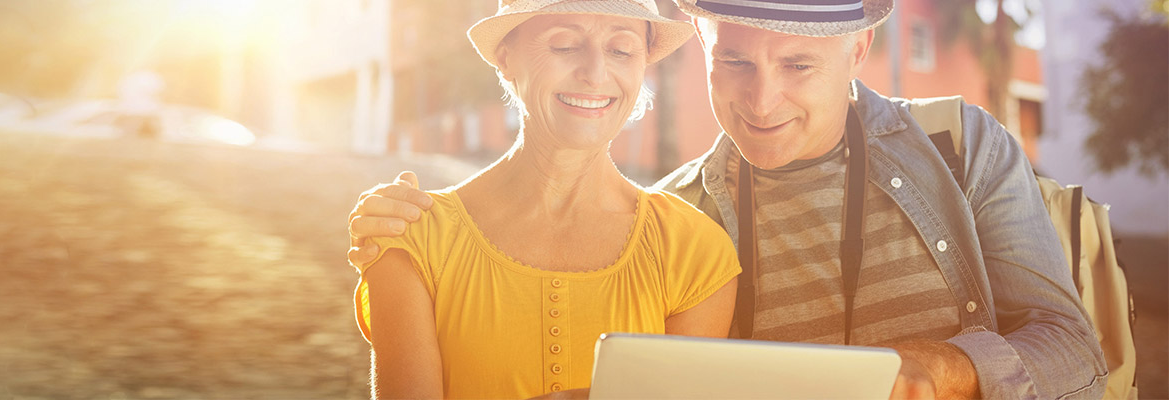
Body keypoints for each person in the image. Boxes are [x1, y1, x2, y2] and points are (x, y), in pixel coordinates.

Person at [348, 0, 1110, 398]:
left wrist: (946, 368)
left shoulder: (962, 147)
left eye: (799, 66)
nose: (762, 100)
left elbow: (1078, 357)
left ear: (858, 50)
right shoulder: (684, 220)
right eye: (735, 62)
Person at [351, 1, 741, 398]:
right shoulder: (411, 237)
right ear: (506, 58)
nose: (595, 73)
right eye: (565, 45)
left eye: (621, 51)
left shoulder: (695, 251)